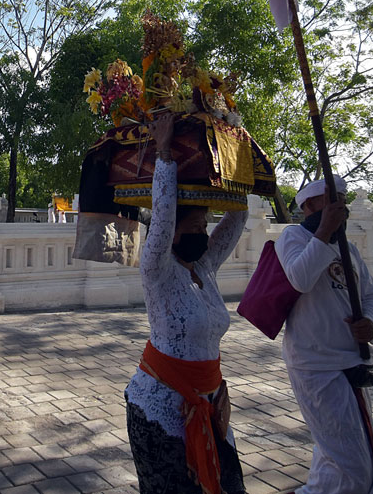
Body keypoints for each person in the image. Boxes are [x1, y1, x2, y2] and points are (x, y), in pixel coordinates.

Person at [125, 113, 248, 494]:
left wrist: (234, 157)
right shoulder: (157, 268)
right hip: (159, 405)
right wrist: (164, 152)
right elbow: (160, 219)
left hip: (210, 402)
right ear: (173, 233)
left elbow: (238, 217)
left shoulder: (205, 266)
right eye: (194, 228)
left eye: (204, 227)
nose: (203, 234)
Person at [276, 177, 373, 494]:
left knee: (337, 455)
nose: (342, 207)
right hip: (315, 364)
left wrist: (371, 322)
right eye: (332, 200)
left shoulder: (348, 248)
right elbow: (299, 279)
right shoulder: (292, 237)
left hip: (353, 360)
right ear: (309, 206)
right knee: (355, 468)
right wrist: (323, 231)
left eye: (343, 199)